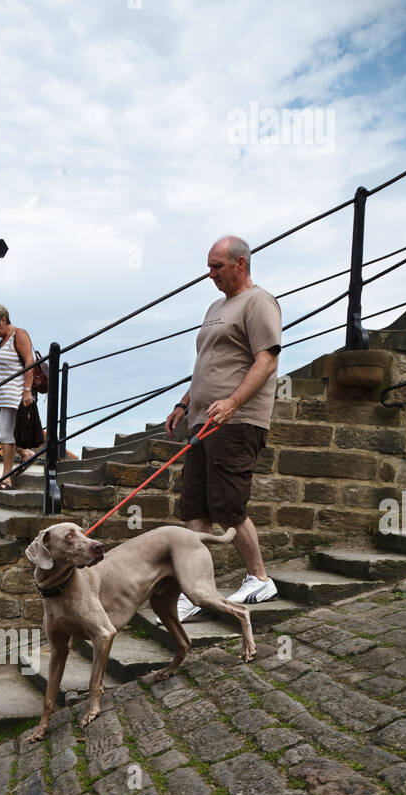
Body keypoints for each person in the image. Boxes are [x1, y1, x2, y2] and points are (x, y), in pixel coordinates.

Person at [165, 236, 281, 620]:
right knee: (193, 508)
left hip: (237, 421)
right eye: (209, 266)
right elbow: (208, 364)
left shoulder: (259, 301)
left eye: (217, 266)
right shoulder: (216, 306)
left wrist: (233, 403)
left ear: (241, 264)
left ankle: (260, 577)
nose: (210, 274)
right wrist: (184, 403)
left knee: (229, 506)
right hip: (202, 421)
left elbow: (265, 361)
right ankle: (198, 592)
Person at [0, 304, 36, 489]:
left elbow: (30, 361)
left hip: (13, 394)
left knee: (5, 434)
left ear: (3, 320)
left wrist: (27, 390)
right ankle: (24, 451)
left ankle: (7, 477)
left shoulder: (19, 334)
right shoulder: (1, 342)